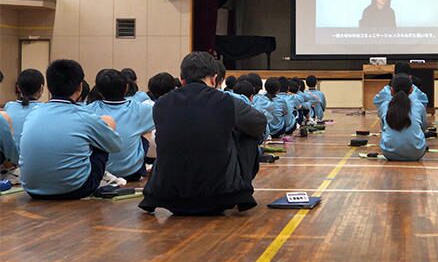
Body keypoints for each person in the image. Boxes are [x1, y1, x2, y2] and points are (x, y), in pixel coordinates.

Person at [139, 52, 267, 215]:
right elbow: (259, 124)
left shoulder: (161, 104)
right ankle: (240, 191)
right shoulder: (227, 101)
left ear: (182, 79)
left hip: (168, 196)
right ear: (214, 79)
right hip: (221, 195)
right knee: (247, 132)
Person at [19, 59, 122, 200]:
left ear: (48, 87)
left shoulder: (33, 113)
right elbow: (115, 146)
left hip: (31, 189)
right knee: (105, 127)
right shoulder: (85, 116)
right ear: (80, 87)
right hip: (75, 189)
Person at [86, 69, 155, 182]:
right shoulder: (140, 109)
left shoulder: (88, 110)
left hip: (101, 171)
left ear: (99, 91)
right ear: (126, 87)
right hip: (131, 172)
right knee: (146, 129)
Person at [377, 75, 428, 161]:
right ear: (411, 90)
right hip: (416, 153)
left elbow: (383, 128)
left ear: (391, 90)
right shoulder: (419, 106)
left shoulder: (384, 106)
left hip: (389, 153)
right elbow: (423, 128)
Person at [4, 69, 45, 151]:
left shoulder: (9, 106)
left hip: (9, 160)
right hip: (32, 159)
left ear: (18, 87)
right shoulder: (44, 109)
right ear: (41, 88)